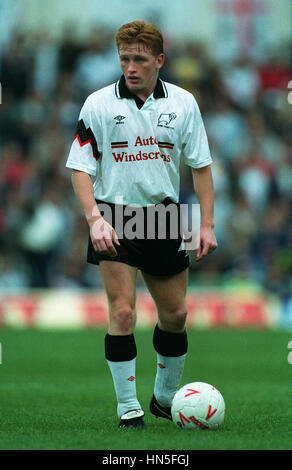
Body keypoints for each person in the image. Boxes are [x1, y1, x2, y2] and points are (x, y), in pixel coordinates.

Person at [66, 20, 217, 428]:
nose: (130, 67)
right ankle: (127, 406)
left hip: (168, 216)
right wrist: (94, 218)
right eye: (124, 58)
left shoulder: (184, 103)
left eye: (139, 59)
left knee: (177, 315)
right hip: (115, 214)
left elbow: (201, 167)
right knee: (123, 313)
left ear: (159, 61)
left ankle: (165, 399)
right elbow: (80, 168)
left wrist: (206, 224)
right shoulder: (97, 103)